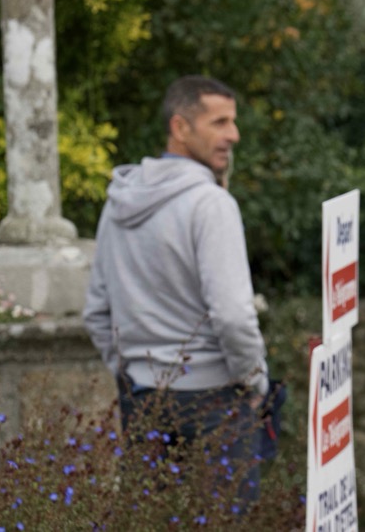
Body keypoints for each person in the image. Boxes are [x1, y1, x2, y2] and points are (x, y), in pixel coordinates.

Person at [83, 75, 269, 502]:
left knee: (151, 522)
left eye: (233, 121)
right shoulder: (211, 204)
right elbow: (233, 316)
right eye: (219, 122)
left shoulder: (118, 204)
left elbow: (96, 312)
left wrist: (132, 375)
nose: (234, 135)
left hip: (143, 401)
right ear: (180, 127)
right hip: (216, 403)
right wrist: (254, 382)